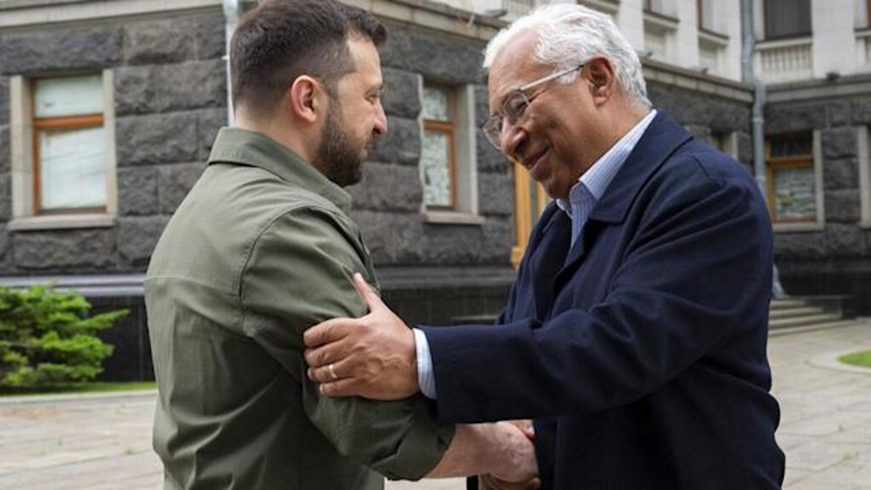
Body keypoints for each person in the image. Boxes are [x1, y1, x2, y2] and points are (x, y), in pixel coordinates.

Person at [303, 4, 785, 489]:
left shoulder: (707, 192)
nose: (509, 141)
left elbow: (614, 348)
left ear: (598, 80)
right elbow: (529, 351)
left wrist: (418, 358)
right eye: (497, 123)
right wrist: (506, 448)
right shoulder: (563, 216)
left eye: (518, 107)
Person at [144, 1, 537, 488]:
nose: (381, 121)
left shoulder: (200, 208)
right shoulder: (287, 228)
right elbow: (382, 425)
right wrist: (510, 452)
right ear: (308, 99)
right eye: (371, 96)